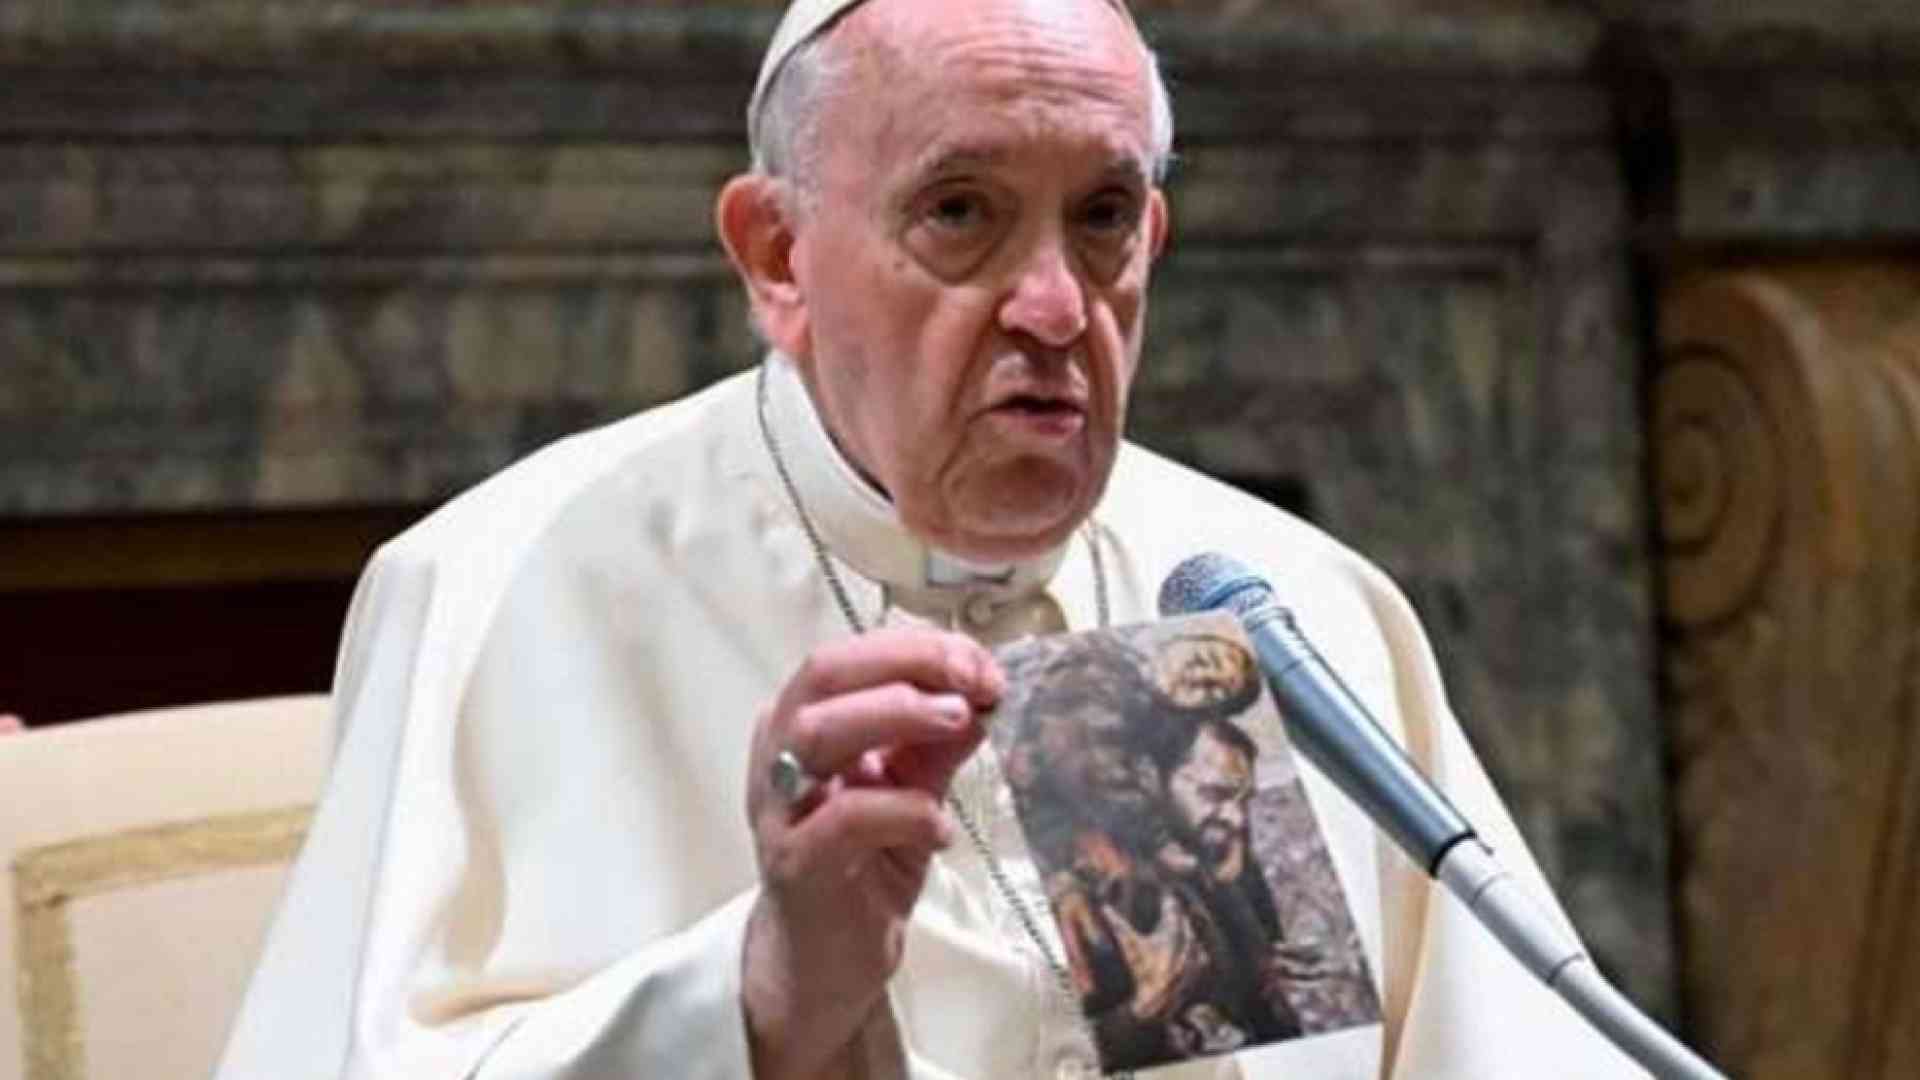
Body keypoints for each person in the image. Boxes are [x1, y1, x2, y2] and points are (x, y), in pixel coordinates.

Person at [218, 0, 1649, 1077]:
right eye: (961, 212)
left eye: (1102, 218)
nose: (1054, 305)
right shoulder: (496, 589)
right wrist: (762, 996)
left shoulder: (1277, 603)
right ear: (778, 255)